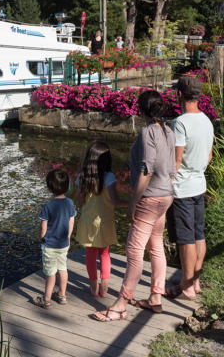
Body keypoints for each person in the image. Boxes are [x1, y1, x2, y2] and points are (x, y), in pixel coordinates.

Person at [94, 90, 176, 321]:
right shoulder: (168, 131)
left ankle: (121, 303)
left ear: (141, 110)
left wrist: (133, 203)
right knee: (156, 245)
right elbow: (171, 169)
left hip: (149, 198)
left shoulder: (148, 132)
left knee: (134, 252)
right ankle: (155, 297)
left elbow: (146, 170)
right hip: (166, 195)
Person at [166, 75, 214, 300]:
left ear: (180, 95)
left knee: (185, 238)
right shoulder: (206, 120)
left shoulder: (180, 123)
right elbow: (209, 155)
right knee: (198, 234)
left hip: (183, 188)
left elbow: (175, 160)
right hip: (199, 184)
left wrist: (166, 184)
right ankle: (195, 281)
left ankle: (186, 285)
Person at [75, 142, 128, 298]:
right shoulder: (109, 177)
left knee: (90, 255)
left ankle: (94, 289)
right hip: (104, 221)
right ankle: (104, 289)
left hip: (87, 221)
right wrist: (132, 202)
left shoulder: (81, 177)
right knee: (104, 254)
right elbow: (115, 201)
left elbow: (79, 201)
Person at [33, 168, 76, 308]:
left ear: (49, 187)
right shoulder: (69, 203)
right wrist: (68, 237)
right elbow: (71, 221)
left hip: (50, 245)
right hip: (64, 243)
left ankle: (46, 299)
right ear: (67, 185)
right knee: (63, 269)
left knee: (51, 273)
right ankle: (62, 295)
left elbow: (43, 227)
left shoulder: (48, 206)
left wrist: (42, 237)